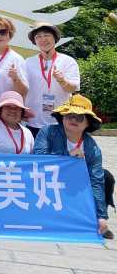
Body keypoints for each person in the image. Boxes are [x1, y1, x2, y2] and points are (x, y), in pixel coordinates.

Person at [34, 94, 111, 239]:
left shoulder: (92, 148)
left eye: (79, 117)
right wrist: (67, 157)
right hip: (48, 184)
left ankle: (98, 223)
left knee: (106, 177)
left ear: (87, 123)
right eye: (69, 115)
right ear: (62, 117)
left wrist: (101, 215)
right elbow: (39, 160)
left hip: (75, 186)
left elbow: (96, 181)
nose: (73, 120)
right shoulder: (47, 132)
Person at [24, 22, 80, 137]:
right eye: (38, 37)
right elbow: (22, 89)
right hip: (33, 122)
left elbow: (72, 89)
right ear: (35, 41)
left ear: (55, 38)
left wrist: (62, 80)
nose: (43, 39)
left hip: (60, 121)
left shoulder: (68, 61)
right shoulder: (28, 62)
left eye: (47, 35)